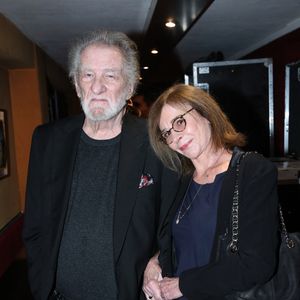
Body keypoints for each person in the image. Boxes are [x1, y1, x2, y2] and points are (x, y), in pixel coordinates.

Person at [23, 29, 180, 300]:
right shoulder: (47, 140)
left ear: (130, 86)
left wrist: (157, 259)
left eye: (110, 75)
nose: (97, 87)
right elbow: (35, 224)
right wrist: (41, 286)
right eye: (88, 75)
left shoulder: (157, 142)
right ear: (76, 84)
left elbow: (176, 220)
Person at [143, 83, 279, 300]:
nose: (175, 137)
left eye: (180, 122)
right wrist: (156, 260)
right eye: (166, 133)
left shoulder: (252, 171)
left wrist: (182, 285)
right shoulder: (182, 181)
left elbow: (257, 263)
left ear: (206, 113)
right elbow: (186, 240)